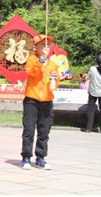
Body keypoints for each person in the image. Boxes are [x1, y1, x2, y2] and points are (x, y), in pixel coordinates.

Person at [20, 34, 60, 170]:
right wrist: (40, 61)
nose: (46, 47)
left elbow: (55, 82)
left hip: (47, 100)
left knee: (44, 130)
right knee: (29, 129)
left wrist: (55, 79)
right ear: (36, 47)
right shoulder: (32, 59)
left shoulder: (53, 64)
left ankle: (41, 157)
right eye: (43, 44)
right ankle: (26, 156)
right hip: (32, 98)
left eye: (48, 44)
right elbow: (31, 72)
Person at [84, 53, 101, 134]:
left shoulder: (92, 69)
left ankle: (88, 128)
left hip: (93, 91)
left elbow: (88, 77)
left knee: (91, 110)